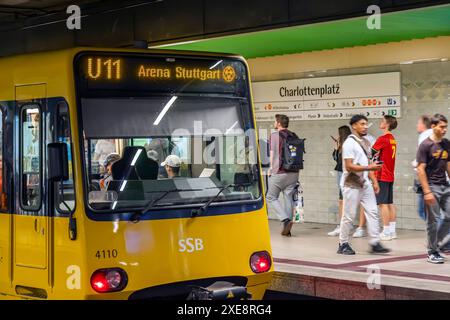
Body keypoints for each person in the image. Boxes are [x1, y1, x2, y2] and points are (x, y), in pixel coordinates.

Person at [337, 115, 390, 255]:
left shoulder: (366, 142)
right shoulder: (349, 143)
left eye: (366, 124)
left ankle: (375, 243)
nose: (365, 126)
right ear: (354, 126)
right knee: (348, 215)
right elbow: (349, 166)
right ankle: (342, 243)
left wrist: (374, 180)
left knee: (372, 212)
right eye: (362, 124)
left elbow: (368, 163)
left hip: (365, 182)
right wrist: (371, 169)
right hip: (351, 183)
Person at [416, 114, 450, 264]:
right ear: (433, 126)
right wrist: (427, 191)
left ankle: (437, 243)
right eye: (441, 127)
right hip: (432, 186)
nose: (444, 130)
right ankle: (432, 251)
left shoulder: (447, 143)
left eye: (446, 127)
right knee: (433, 221)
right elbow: (420, 169)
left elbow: (448, 164)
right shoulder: (425, 145)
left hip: (445, 186)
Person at [267, 114, 300, 237]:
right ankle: (288, 227)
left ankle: (285, 220)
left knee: (271, 197)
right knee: (288, 197)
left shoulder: (275, 135)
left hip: (279, 172)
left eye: (275, 121)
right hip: (294, 172)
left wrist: (270, 169)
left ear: (279, 123)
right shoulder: (294, 135)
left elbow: (273, 154)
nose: (274, 123)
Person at [372, 115, 398, 241]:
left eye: (382, 121)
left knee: (383, 204)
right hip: (390, 174)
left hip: (382, 174)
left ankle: (386, 231)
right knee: (390, 203)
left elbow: (370, 152)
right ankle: (392, 231)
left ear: (387, 124)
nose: (380, 122)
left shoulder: (383, 138)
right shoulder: (392, 139)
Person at [328, 125, 351, 236]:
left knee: (342, 200)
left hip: (343, 173)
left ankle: (343, 226)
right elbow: (336, 158)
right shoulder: (343, 145)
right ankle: (343, 225)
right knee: (342, 200)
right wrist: (336, 147)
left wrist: (337, 148)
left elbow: (339, 160)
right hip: (341, 172)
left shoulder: (347, 145)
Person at [413, 115, 433, 221]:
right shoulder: (432, 135)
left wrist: (415, 164)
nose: (417, 125)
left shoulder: (424, 136)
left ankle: (442, 235)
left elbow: (421, 160)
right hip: (434, 179)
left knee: (423, 211)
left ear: (423, 125)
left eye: (418, 123)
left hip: (427, 179)